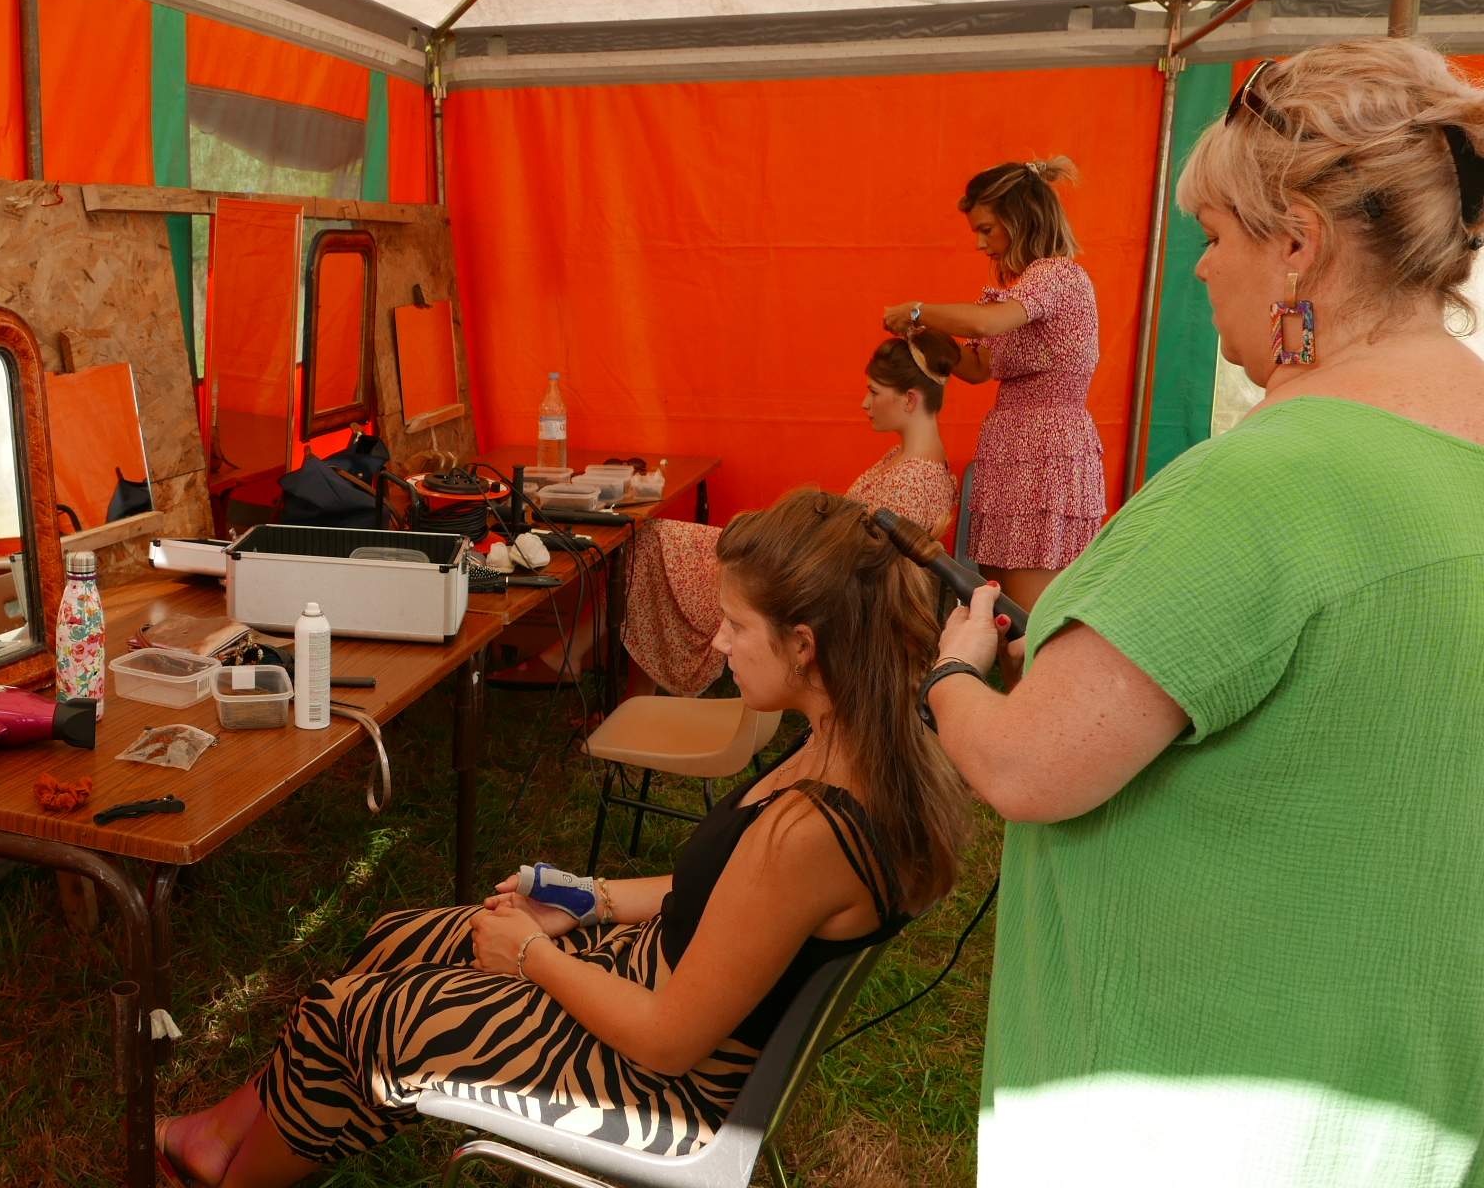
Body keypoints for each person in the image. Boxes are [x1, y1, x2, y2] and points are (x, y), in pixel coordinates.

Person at [921, 38, 1484, 1186]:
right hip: (1413, 1091)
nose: (1200, 271)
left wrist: (953, 674)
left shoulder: (1264, 481)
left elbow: (1028, 764)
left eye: (1215, 235)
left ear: (1299, 245)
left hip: (1205, 1106)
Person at [157, 491, 973, 1187]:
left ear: (805, 645)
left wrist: (531, 958)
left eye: (734, 624)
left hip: (660, 1084)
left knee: (360, 1023)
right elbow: (739, 899)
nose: (718, 642)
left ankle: (229, 1166)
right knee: (398, 936)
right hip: (657, 981)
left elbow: (668, 1041)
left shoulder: (815, 828)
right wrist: (589, 900)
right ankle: (222, 1135)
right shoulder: (851, 744)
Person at [620, 331, 963, 698]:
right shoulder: (910, 462)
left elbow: (864, 571)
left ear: (909, 399)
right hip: (809, 566)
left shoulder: (914, 480)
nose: (865, 403)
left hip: (809, 586)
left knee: (652, 541)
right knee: (652, 541)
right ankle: (625, 683)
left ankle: (624, 688)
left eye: (874, 392)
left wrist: (783, 540)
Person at [882, 158, 1103, 612]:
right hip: (1012, 449)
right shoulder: (1026, 288)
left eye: (986, 229)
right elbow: (978, 366)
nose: (980, 244)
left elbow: (986, 324)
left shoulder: (1057, 276)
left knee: (1023, 618)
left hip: (1045, 453)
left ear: (1019, 220)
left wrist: (920, 310)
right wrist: (926, 334)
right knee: (997, 608)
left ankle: (1027, 663)